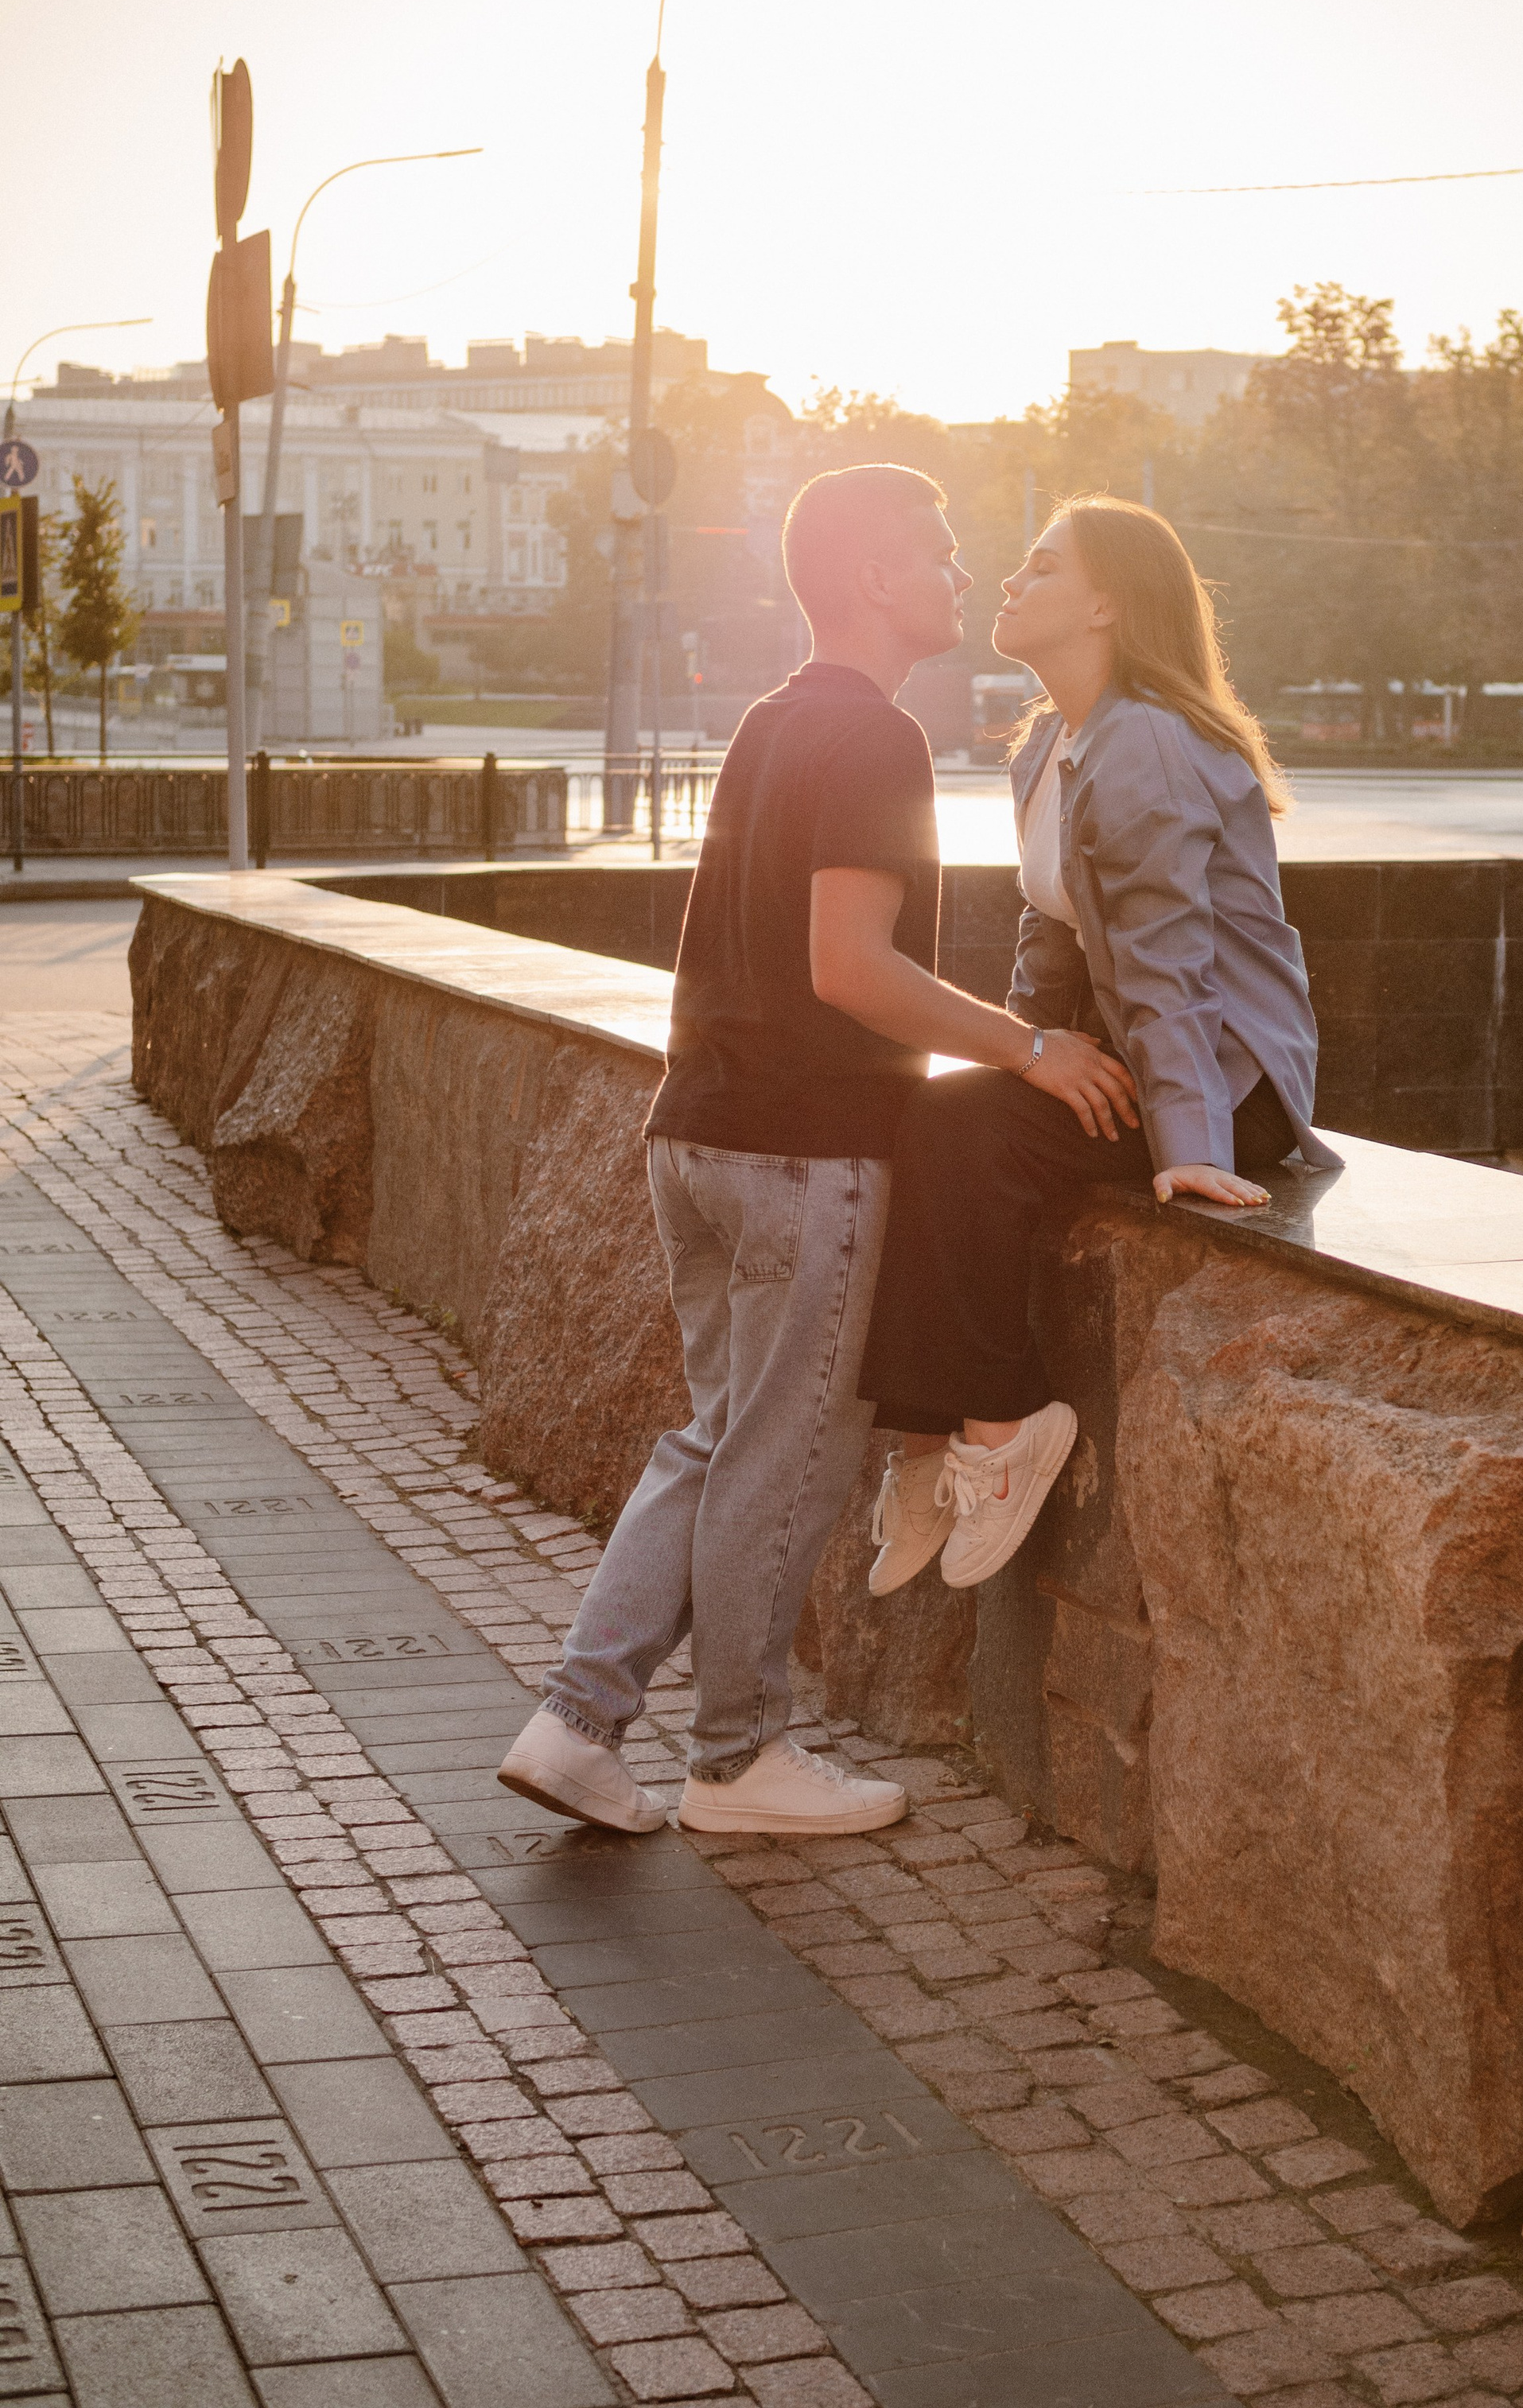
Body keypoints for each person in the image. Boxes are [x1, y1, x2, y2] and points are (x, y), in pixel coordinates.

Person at [497, 464, 1135, 1839]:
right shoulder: (877, 741)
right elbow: (851, 968)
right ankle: (738, 1762)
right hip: (801, 1148)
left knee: (716, 1438)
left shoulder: (773, 723)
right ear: (870, 579)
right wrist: (1031, 1048)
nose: (962, 572)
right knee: (783, 1454)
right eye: (941, 549)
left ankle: (576, 1720)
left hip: (698, 1132)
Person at [856, 494, 1332, 1598]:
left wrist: (1191, 1140)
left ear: (1108, 604)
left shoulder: (1151, 744)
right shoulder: (1051, 745)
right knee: (930, 1114)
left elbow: (1172, 961)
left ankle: (1005, 1427)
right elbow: (1053, 929)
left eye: (1041, 569)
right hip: (1133, 1045)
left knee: (960, 1134)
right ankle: (931, 1450)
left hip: (1224, 1077)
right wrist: (1020, 1048)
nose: (1009, 586)